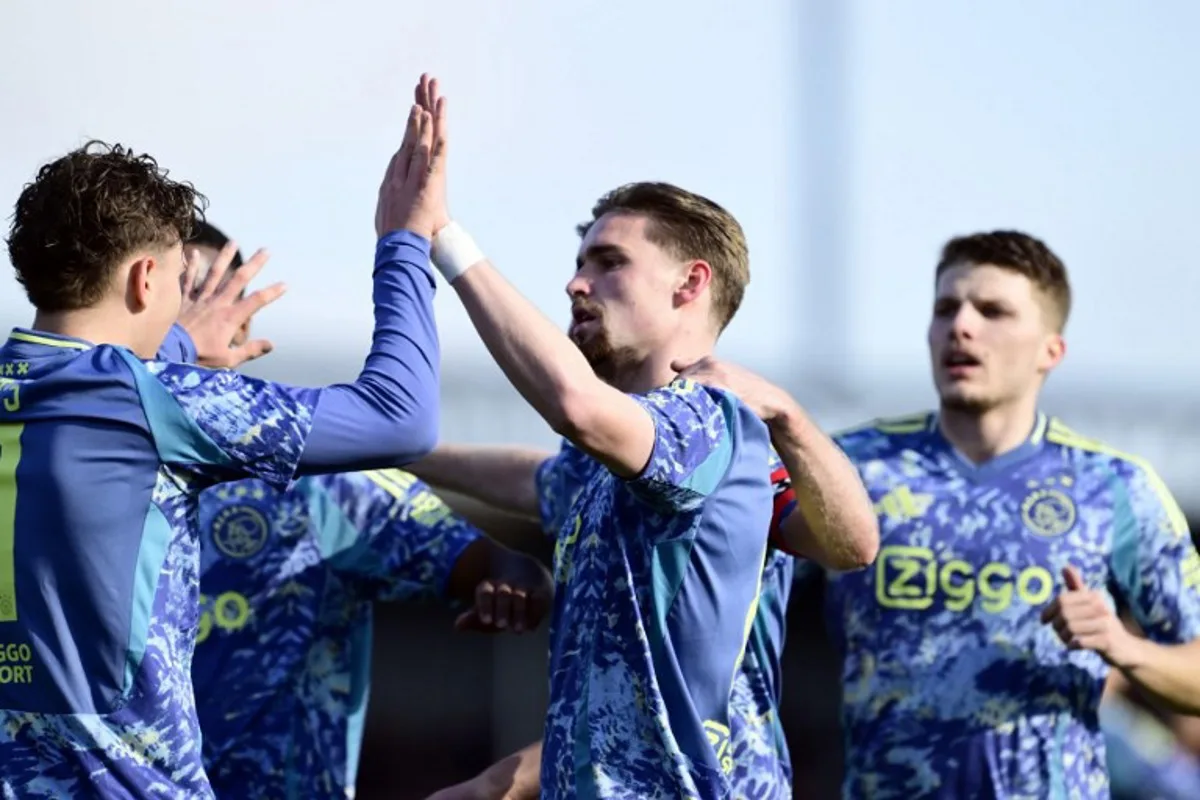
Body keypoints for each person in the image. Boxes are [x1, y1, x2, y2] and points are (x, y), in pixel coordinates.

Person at [406, 75, 876, 798]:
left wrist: (444, 237)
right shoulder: (604, 465)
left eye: (609, 262)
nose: (576, 284)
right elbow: (538, 475)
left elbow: (575, 405)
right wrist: (395, 438)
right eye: (578, 262)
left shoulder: (707, 421)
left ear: (691, 284)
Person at [0, 82, 445, 798]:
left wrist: (176, 344)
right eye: (181, 282)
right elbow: (403, 417)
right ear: (147, 278)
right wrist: (404, 244)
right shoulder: (152, 403)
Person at [676, 230, 1200, 798]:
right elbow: (728, 599)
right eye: (946, 308)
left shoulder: (1116, 489)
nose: (962, 326)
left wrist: (1125, 649)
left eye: (992, 311)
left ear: (1051, 350)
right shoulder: (851, 468)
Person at [179, 228, 553, 798]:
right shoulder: (64, 462)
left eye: (199, 296)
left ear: (241, 325)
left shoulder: (319, 483)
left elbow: (502, 566)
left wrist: (516, 582)